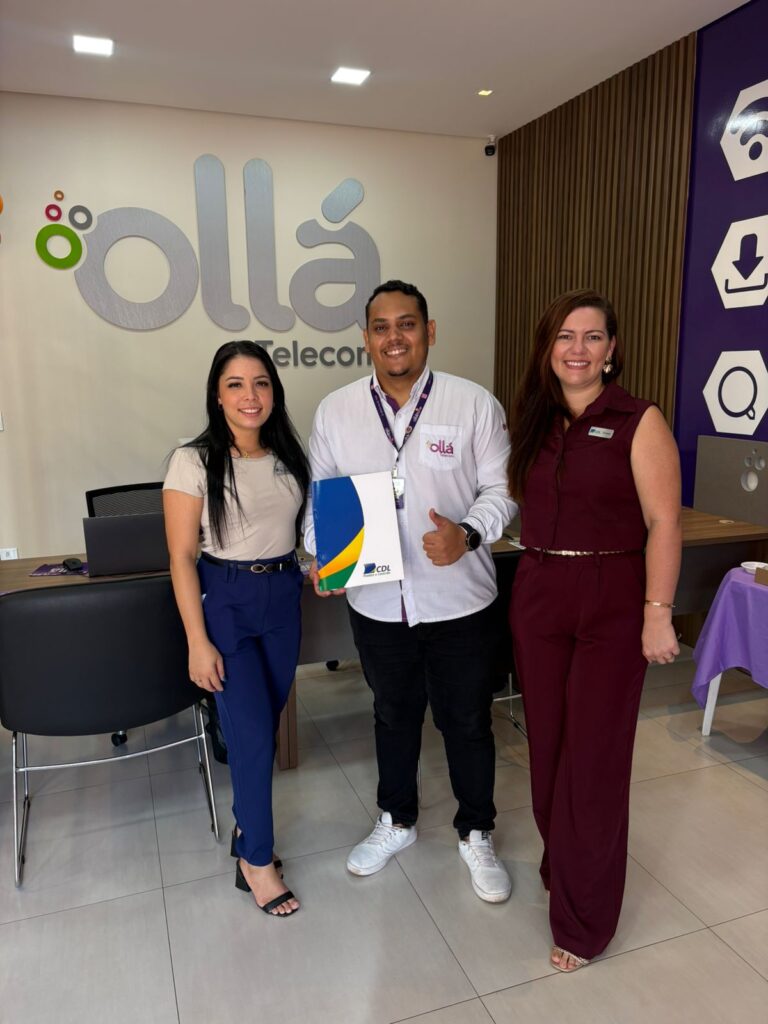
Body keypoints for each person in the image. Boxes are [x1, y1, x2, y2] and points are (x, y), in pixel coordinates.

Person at [303, 280, 518, 902]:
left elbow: (502, 492)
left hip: (460, 599)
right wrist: (323, 554)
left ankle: (476, 830)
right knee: (392, 714)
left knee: (467, 720)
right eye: (381, 326)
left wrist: (468, 534)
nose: (394, 337)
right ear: (366, 338)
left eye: (407, 324)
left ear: (429, 331)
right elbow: (319, 501)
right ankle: (396, 820)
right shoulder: (336, 411)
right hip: (377, 604)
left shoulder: (473, 404)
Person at [507, 289, 681, 970]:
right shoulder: (532, 420)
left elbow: (663, 521)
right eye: (564, 337)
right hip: (539, 590)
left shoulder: (638, 420)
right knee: (548, 752)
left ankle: (584, 922)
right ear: (547, 349)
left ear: (611, 350)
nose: (577, 349)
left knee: (594, 762)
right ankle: (567, 863)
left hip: (612, 596)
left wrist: (657, 611)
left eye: (592, 337)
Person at [163, 340, 309, 918]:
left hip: (284, 597)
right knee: (249, 736)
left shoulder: (288, 454)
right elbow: (180, 557)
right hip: (225, 600)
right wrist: (197, 641)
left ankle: (247, 827)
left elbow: (297, 531)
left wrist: (320, 565)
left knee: (262, 728)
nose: (251, 396)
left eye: (261, 383)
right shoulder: (192, 460)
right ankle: (256, 859)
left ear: (274, 392)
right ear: (217, 395)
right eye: (236, 384)